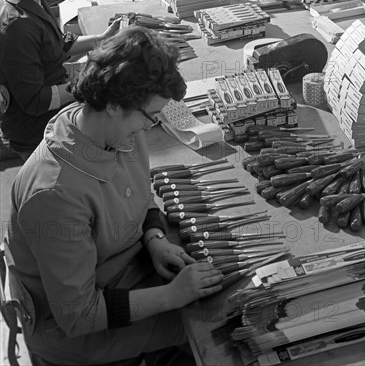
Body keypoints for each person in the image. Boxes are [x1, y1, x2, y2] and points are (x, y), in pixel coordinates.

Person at [4, 26, 224, 365]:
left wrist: (154, 239)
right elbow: (78, 315)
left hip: (122, 272)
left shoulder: (117, 132)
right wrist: (171, 295)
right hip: (76, 331)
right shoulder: (54, 194)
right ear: (113, 105)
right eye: (151, 116)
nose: (149, 128)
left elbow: (140, 196)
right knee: (216, 324)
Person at [0, 0, 120, 161]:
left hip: (52, 120)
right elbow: (36, 100)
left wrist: (101, 39)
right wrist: (89, 82)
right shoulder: (17, 27)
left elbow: (58, 45)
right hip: (38, 135)